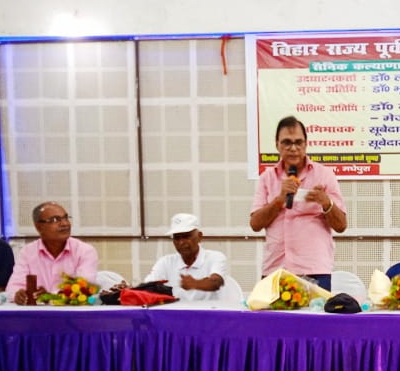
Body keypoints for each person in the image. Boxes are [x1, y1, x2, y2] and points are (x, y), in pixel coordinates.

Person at [249, 115, 347, 292]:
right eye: (287, 142)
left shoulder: (324, 175)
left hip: (314, 269)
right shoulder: (267, 178)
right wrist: (280, 199)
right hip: (275, 269)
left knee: (314, 320)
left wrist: (326, 202)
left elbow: (341, 226)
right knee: (274, 320)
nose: (293, 148)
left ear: (306, 144)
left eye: (298, 142)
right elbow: (255, 224)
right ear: (277, 144)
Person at [6, 202, 99, 305]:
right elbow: (12, 288)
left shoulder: (85, 251)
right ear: (39, 227)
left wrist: (50, 297)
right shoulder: (27, 252)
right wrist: (19, 295)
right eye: (55, 220)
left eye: (66, 218)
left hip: (72, 316)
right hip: (36, 317)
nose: (65, 224)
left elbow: (83, 291)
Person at [144, 213, 228, 301]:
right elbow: (147, 286)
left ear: (199, 236)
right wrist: (130, 289)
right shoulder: (165, 262)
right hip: (177, 313)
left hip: (209, 313)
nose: (181, 242)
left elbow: (216, 282)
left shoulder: (215, 257)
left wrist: (195, 283)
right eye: (177, 238)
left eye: (186, 236)